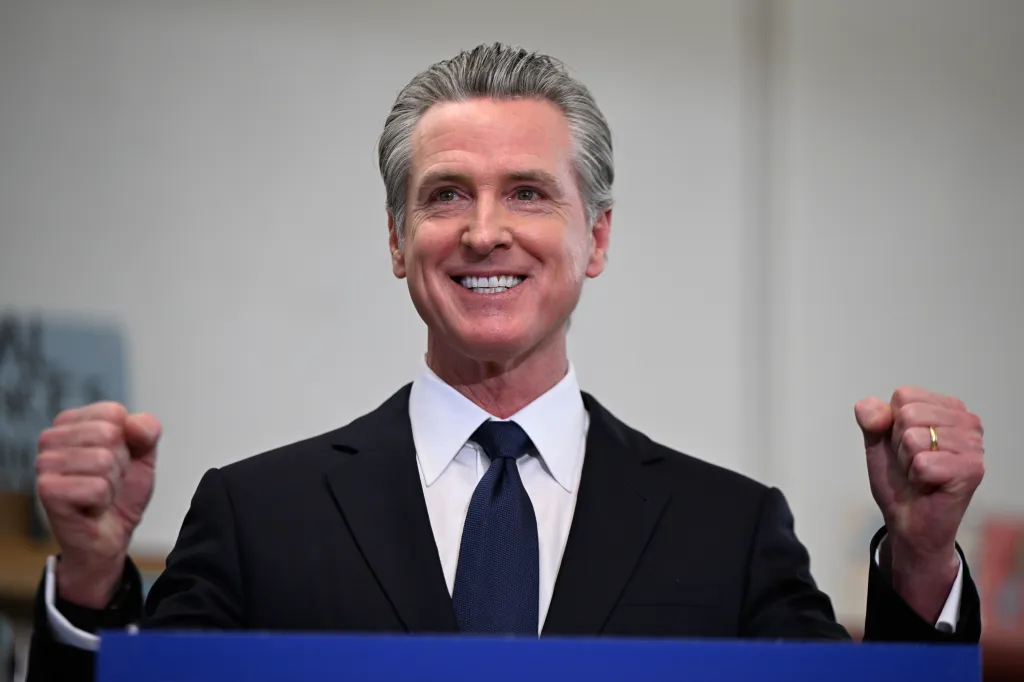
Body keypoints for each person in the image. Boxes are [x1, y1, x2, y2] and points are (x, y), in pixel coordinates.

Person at [26, 43, 985, 681]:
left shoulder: (729, 531)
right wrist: (90, 579)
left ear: (595, 238)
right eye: (446, 195)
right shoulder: (254, 516)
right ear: (397, 240)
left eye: (527, 192)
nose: (484, 232)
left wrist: (920, 559)